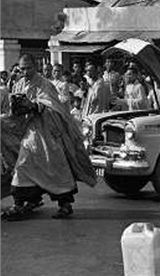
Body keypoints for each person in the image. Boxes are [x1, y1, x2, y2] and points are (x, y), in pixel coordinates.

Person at [1, 54, 96, 221]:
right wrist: (16, 109)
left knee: (56, 167)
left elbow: (55, 107)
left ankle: (65, 205)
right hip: (29, 133)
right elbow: (13, 110)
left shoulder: (45, 84)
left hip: (46, 131)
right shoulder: (19, 84)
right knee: (23, 165)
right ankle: (22, 202)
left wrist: (34, 106)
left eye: (28, 68)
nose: (25, 72)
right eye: (22, 69)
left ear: (35, 67)